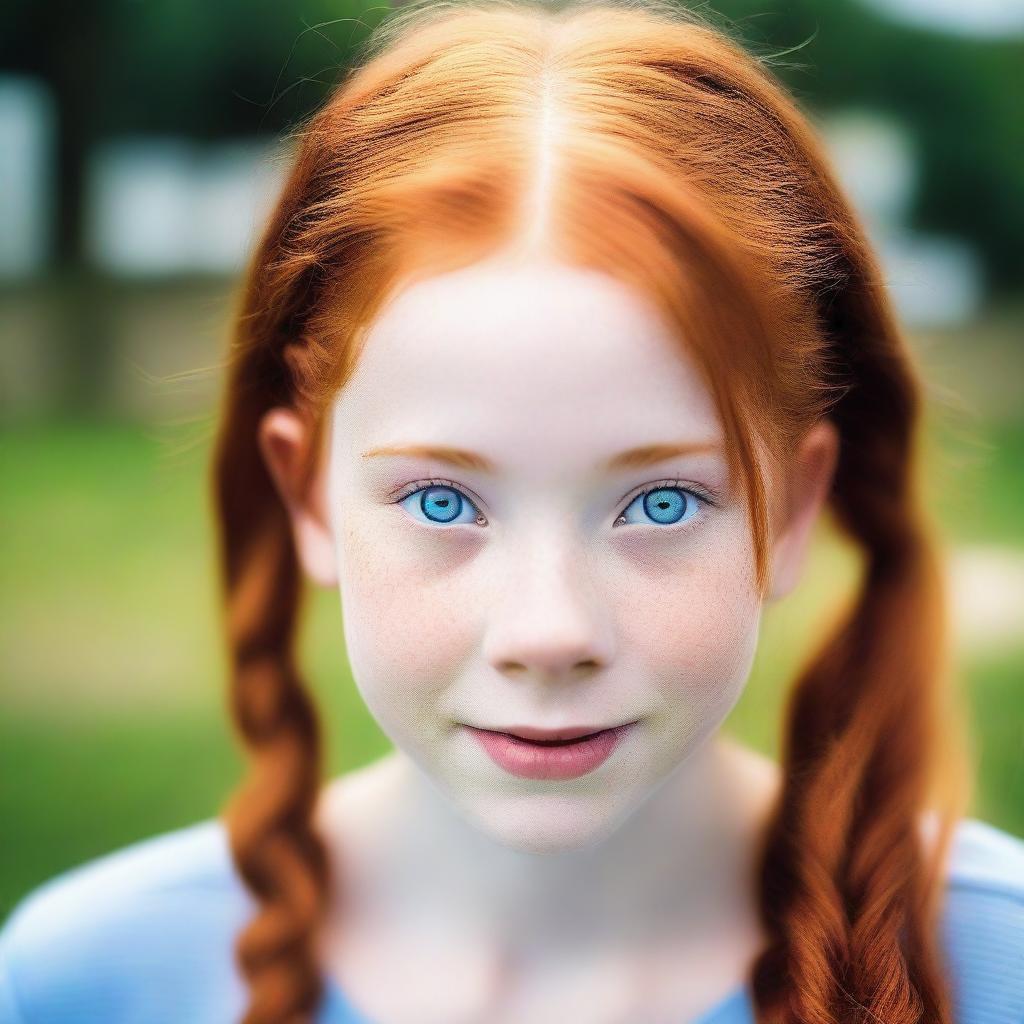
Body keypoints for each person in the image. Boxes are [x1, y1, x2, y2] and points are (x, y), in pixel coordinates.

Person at [2, 1, 1023, 1022]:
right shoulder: (82, 980)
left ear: (793, 509)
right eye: (442, 499)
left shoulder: (996, 967)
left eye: (660, 501)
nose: (549, 631)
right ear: (306, 493)